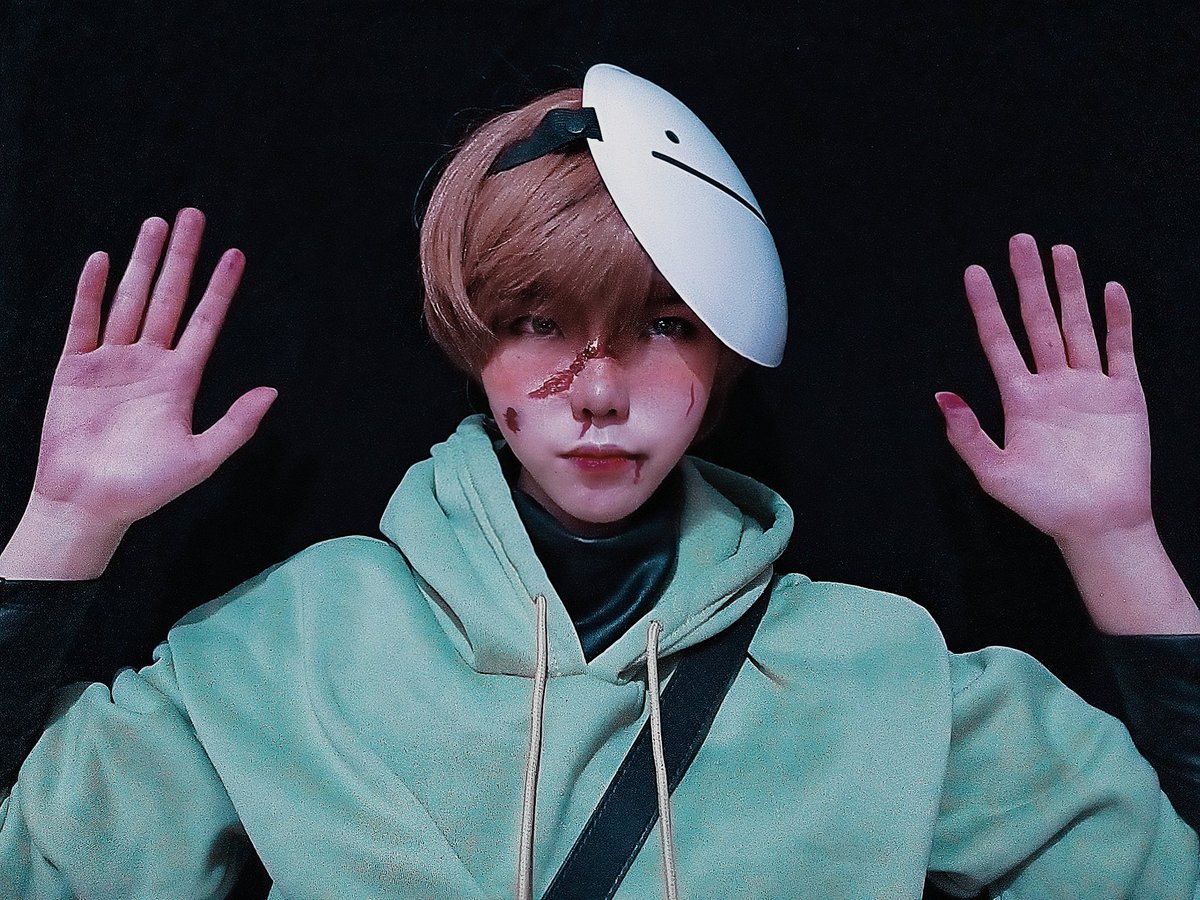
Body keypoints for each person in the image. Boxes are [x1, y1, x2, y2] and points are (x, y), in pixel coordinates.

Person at [2, 64, 1200, 898]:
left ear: (725, 355)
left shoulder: (885, 675)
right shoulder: (285, 647)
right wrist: (66, 520)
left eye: (662, 324)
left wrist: (1117, 543)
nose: (598, 388)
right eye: (536, 322)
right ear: (473, 344)